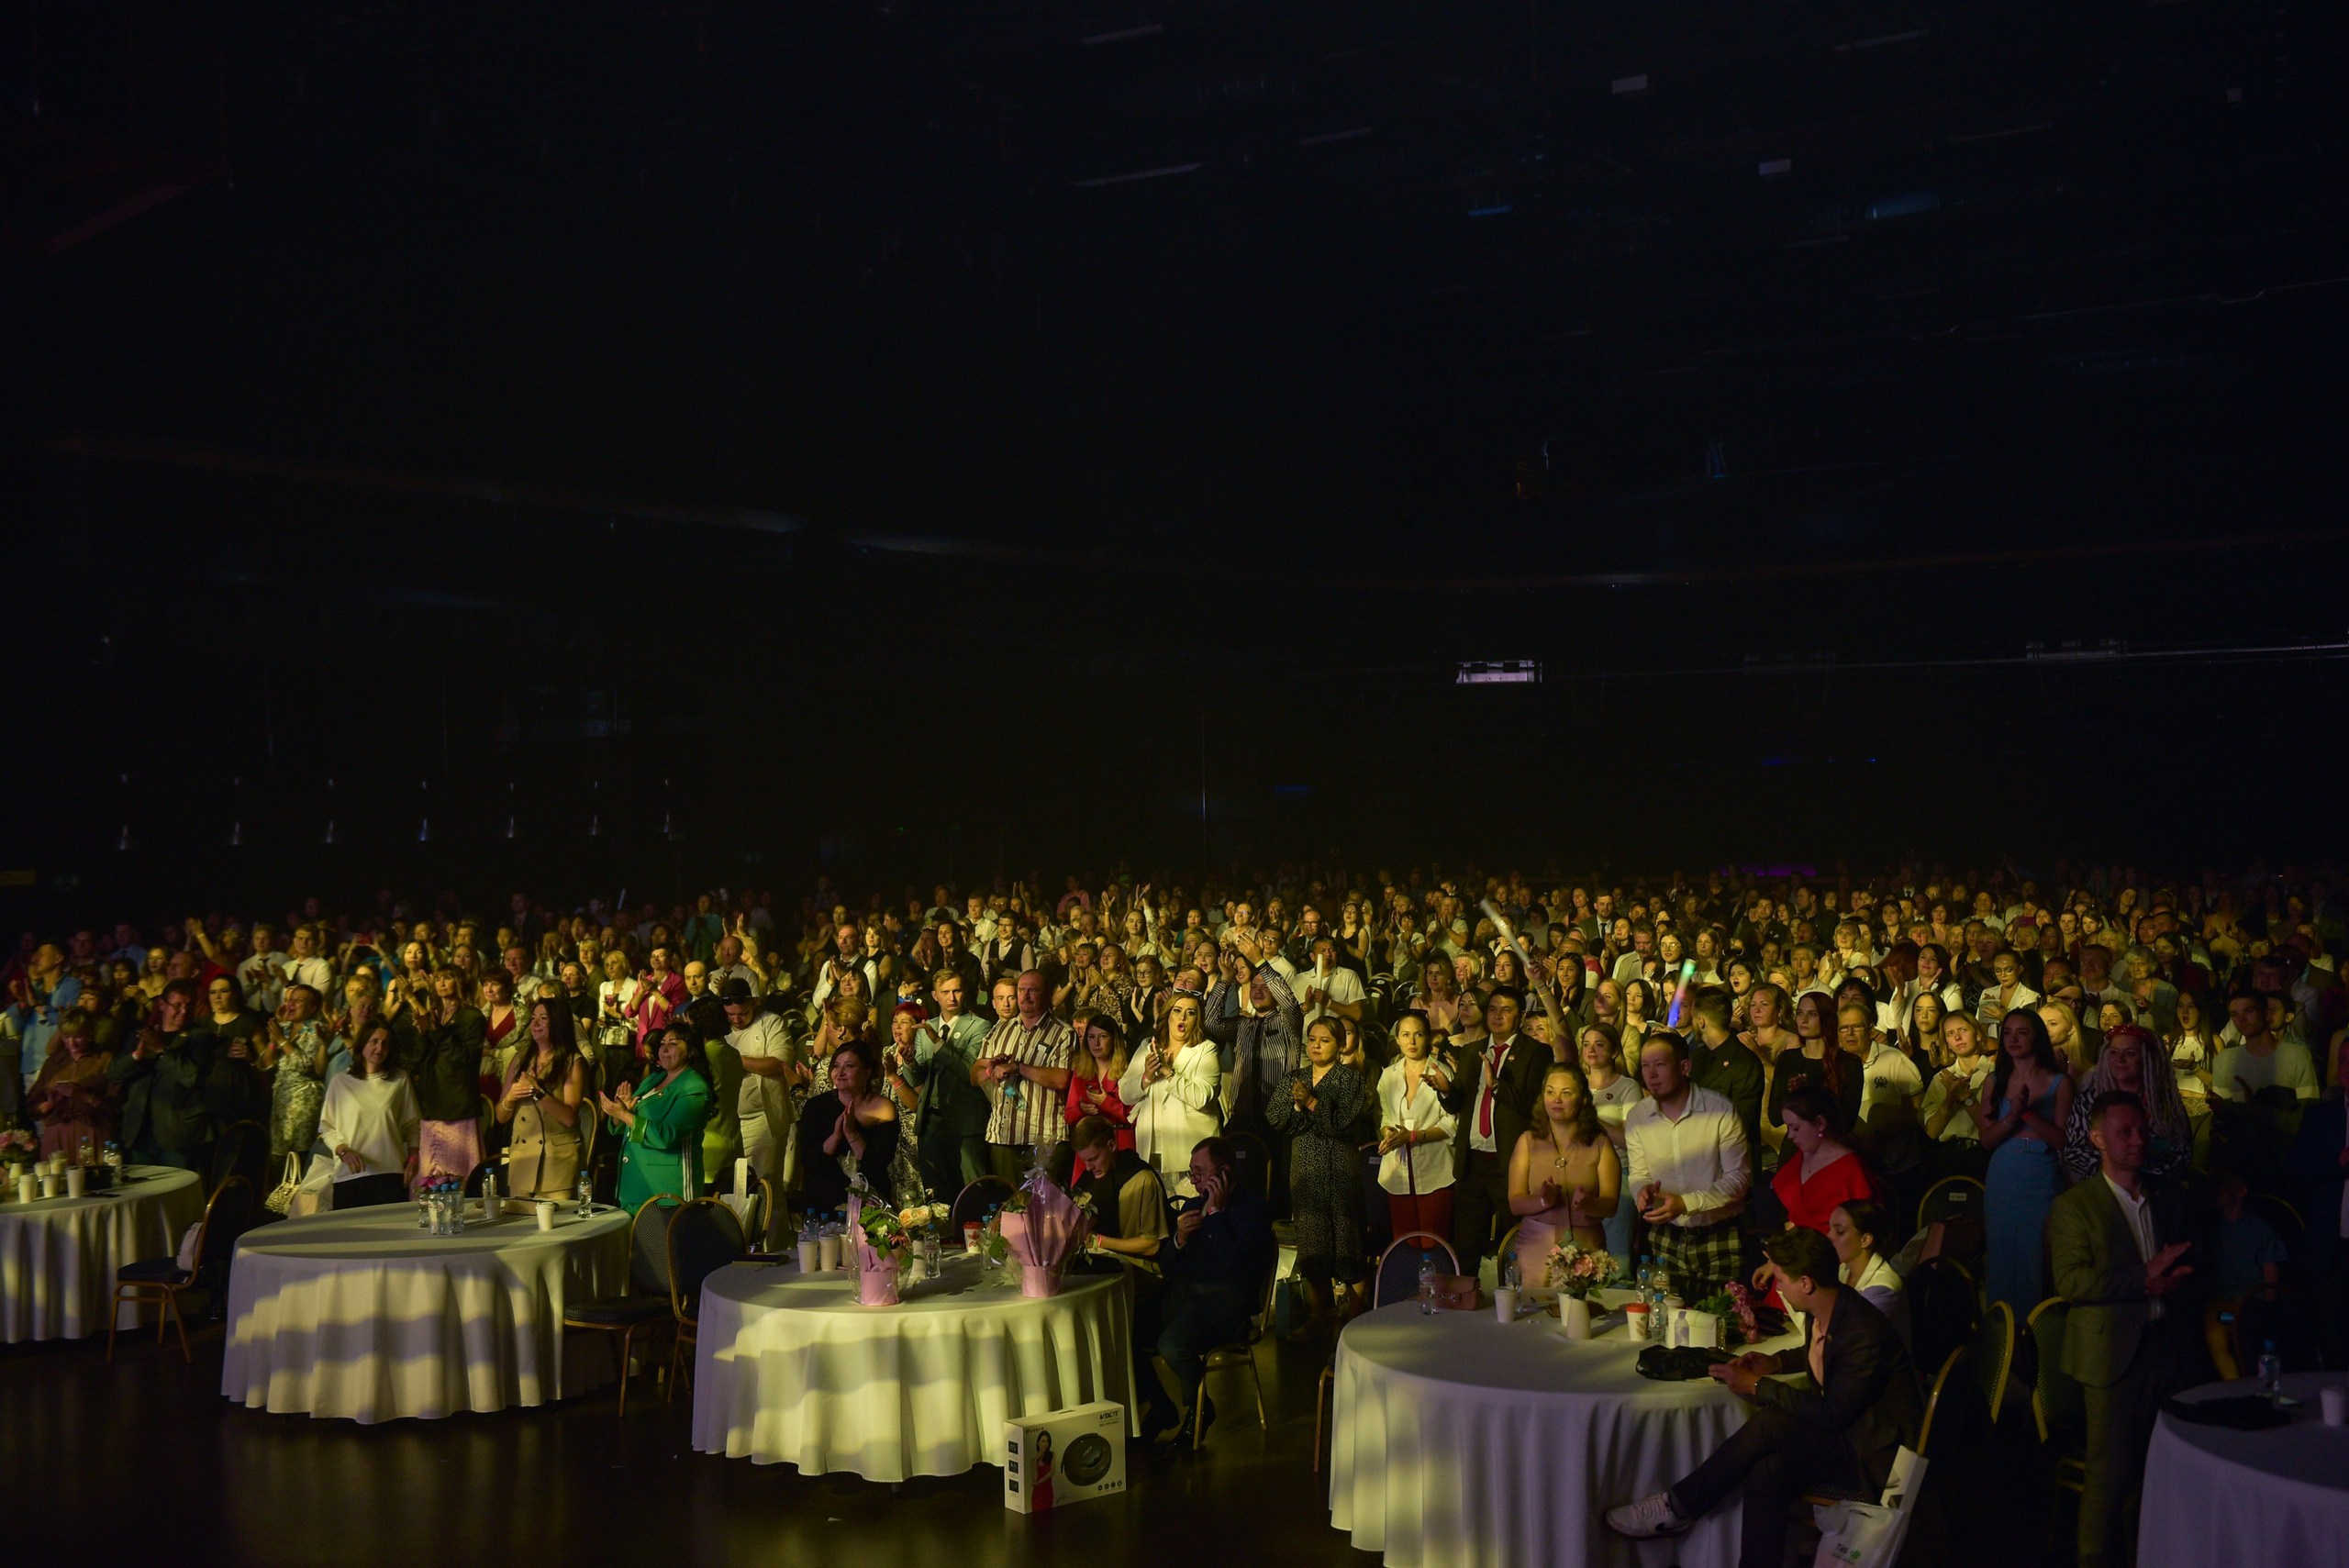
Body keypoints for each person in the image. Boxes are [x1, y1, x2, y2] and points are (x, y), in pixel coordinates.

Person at [1605, 1227, 1923, 1568]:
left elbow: (1833, 1415)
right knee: (1767, 1470)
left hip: (1876, 1456)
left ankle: (1677, 1506)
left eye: (1782, 1279)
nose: (1778, 1287)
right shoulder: (1832, 1309)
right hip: (1849, 1440)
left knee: (1770, 1423)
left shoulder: (1862, 1331)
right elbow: (1820, 1356)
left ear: (1806, 1283)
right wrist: (1774, 1362)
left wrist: (1759, 1386)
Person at [2050, 1091, 2201, 1568]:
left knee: (2158, 1472)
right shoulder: (2076, 1206)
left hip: (2164, 1348)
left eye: (2141, 1130)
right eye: (2125, 1133)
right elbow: (2071, 1281)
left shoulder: (2166, 1196)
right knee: (2108, 1478)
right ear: (2097, 1139)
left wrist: (2175, 1282)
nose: (2139, 1140)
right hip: (2112, 1358)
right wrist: (2144, 1277)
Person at [1133, 1137, 1277, 1446]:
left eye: (1199, 1173)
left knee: (1171, 1345)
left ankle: (1198, 1409)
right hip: (1185, 1300)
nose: (1194, 1181)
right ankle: (1161, 1407)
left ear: (1224, 1172)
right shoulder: (1192, 1206)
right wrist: (1178, 1241)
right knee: (1127, 1332)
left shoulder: (1254, 1211)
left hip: (1226, 1305)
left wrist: (1217, 1216)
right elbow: (1168, 1265)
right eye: (1192, 1173)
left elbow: (1233, 1266)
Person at [1624, 1031, 1752, 1298]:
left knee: (1721, 1322)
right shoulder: (1639, 1116)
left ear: (1684, 1067)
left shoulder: (1719, 1110)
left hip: (1718, 1232)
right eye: (1645, 1066)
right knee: (1668, 1319)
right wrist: (1642, 1191)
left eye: (1660, 1065)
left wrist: (1686, 1203)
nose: (1651, 1074)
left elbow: (1739, 1178)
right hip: (1666, 1234)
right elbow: (1638, 1173)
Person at [1266, 1018, 1370, 1336]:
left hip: (1339, 1167)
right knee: (1312, 1241)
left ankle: (1354, 1319)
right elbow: (1275, 1117)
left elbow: (1342, 1125)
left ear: (1340, 1046)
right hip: (1306, 1168)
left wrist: (1312, 1103)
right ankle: (1319, 1314)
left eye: (1325, 1040)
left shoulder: (1350, 1080)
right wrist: (1299, 1109)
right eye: (1312, 1039)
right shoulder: (1294, 1078)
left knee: (1346, 1239)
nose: (1316, 1046)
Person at [1440, 985, 1549, 1274]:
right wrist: (1446, 1091)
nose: (1497, 1016)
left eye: (1506, 1010)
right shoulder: (1472, 1051)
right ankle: (1467, 1303)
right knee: (1465, 1245)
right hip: (1472, 1161)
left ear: (1521, 1015)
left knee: (1516, 1240)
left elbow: (1534, 1105)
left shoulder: (1537, 1053)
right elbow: (1457, 1105)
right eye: (1492, 1009)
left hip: (1510, 1163)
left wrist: (1497, 1086)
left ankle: (1517, 1303)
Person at [1976, 1006, 2075, 1314]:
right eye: (2007, 1032)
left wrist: (2028, 1113)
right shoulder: (1994, 1081)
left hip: (2042, 1175)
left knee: (2037, 1260)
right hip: (2004, 1175)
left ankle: (2037, 1340)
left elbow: (2062, 1140)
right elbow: (1987, 1140)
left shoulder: (2060, 1082)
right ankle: (2003, 1339)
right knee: (2003, 1258)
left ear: (2037, 1037)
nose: (2013, 1039)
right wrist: (2011, 1118)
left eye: (2022, 1032)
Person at [1508, 1062, 1620, 1284]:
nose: (1556, 1099)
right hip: (1536, 1250)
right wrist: (1542, 1200)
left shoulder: (1600, 1143)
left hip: (1586, 1252)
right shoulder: (1527, 1141)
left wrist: (1588, 1204)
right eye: (1550, 1092)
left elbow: (1611, 1205)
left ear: (1582, 1099)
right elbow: (1515, 1203)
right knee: (1534, 1314)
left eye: (1566, 1093)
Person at [107, 979, 231, 1172]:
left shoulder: (199, 1037)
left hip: (177, 1136)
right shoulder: (141, 1034)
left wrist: (161, 1050)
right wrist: (136, 1057)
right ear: (162, 1005)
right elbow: (113, 1073)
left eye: (188, 1006)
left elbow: (192, 1077)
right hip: (139, 1133)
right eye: (178, 1005)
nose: (183, 1011)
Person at [602, 1021, 716, 1211]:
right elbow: (628, 1124)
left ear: (692, 1051)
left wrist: (624, 1114)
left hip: (667, 1191)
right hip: (635, 1184)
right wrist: (622, 1111)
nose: (664, 1049)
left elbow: (666, 1136)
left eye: (673, 1044)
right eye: (663, 1043)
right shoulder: (655, 1078)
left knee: (662, 1241)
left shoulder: (694, 1088)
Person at [974, 970, 1074, 1183]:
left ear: (1046, 994)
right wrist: (990, 1068)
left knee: (1045, 1210)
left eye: (1033, 990)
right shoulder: (999, 1031)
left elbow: (1061, 1079)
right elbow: (974, 1075)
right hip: (1003, 1135)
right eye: (1021, 990)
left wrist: (1018, 1067)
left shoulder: (1063, 1033)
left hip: (1045, 1138)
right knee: (1010, 1209)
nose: (1025, 996)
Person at [900, 968, 992, 1201]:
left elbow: (969, 1072)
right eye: (945, 992)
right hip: (932, 1122)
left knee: (972, 1191)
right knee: (936, 1192)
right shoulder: (925, 1028)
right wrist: (909, 1064)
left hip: (965, 1123)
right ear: (934, 995)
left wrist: (937, 1042)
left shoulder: (979, 1026)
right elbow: (918, 1080)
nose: (952, 998)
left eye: (957, 991)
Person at [2061, 1023, 2191, 1184]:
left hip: (2156, 1193)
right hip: (2105, 1192)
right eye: (2114, 1052)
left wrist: (2142, 1171)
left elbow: (2183, 1154)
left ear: (2147, 1058)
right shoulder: (2088, 1101)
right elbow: (2073, 1152)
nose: (2120, 1060)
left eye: (2130, 1054)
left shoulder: (2165, 1104)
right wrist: (2119, 1166)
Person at [1119, 992, 1222, 1196]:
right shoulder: (1147, 1046)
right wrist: (1146, 1077)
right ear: (1168, 1015)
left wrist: (1167, 1071)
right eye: (1177, 1011)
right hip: (1152, 1150)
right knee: (1159, 1217)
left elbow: (1200, 1097)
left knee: (1189, 1214)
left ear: (1197, 1020)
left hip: (1189, 1151)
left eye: (1190, 1013)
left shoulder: (1206, 1050)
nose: (1182, 1017)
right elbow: (1124, 1094)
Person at [396, 966, 489, 1189]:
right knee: (429, 1177)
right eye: (438, 979)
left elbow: (463, 1056)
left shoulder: (472, 1016)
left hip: (456, 1107)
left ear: (459, 982)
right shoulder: (437, 1015)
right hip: (431, 1105)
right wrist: (423, 1033)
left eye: (448, 978)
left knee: (456, 1176)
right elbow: (419, 1058)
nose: (442, 983)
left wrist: (434, 1030)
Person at [313, 1020, 421, 1209]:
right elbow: (326, 1128)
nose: (380, 1047)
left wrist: (413, 1159)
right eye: (375, 1041)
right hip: (351, 1175)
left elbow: (413, 1125)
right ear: (363, 1043)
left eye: (385, 1043)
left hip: (390, 1174)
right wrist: (344, 1151)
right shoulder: (340, 1082)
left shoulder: (399, 1079)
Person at [720, 979, 803, 1228]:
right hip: (729, 1121)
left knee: (767, 1187)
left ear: (753, 1003)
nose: (736, 1020)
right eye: (731, 1015)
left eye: (742, 1013)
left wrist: (734, 1060)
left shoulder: (771, 1022)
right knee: (735, 1191)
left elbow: (780, 1063)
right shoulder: (719, 1030)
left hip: (763, 1118)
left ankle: (776, 1248)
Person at [1375, 1012, 1457, 1246]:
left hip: (1435, 1169)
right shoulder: (1389, 1075)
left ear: (1428, 1038)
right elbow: (1385, 1117)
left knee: (1435, 1242)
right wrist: (1389, 1134)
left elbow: (1451, 1123)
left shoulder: (1442, 1072)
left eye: (1418, 1035)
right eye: (1405, 1035)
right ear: (1397, 1039)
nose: (1411, 1042)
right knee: (1404, 1243)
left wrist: (1413, 1136)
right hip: (1398, 1170)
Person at [1769, 1083, 1889, 1242]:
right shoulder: (1799, 1158)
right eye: (1788, 1128)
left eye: (1795, 1128)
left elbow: (1868, 1226)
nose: (1790, 1135)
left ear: (1820, 1123)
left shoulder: (1850, 1168)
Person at [794, 1038, 900, 1216]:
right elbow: (810, 1161)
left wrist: (851, 1134)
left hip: (871, 1198)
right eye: (836, 1066)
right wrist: (836, 1136)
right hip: (825, 1198)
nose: (840, 1072)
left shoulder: (883, 1109)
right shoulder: (816, 1107)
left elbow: (876, 1165)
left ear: (866, 1073)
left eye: (849, 1066)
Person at [496, 997, 589, 1200]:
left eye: (543, 1018)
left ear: (558, 1023)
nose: (535, 1023)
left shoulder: (573, 1061)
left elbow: (570, 1118)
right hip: (523, 1158)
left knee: (556, 1229)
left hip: (557, 1160)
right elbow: (501, 1116)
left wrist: (538, 1091)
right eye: (533, 1018)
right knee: (522, 1228)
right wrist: (511, 1097)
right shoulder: (520, 1058)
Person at [28, 1013, 115, 1158]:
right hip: (57, 1132)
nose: (72, 1043)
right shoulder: (54, 1063)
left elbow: (115, 1105)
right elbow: (32, 1103)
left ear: (89, 1034)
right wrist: (43, 1106)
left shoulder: (103, 1059)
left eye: (78, 1036)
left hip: (92, 1129)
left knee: (93, 1177)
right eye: (66, 1037)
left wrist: (83, 1095)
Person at [2212, 985, 2320, 1102]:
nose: (2241, 1019)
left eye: (2248, 1011)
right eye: (2234, 1014)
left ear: (2266, 1014)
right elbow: (2224, 1113)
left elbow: (2309, 1108)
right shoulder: (2224, 1060)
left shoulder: (2297, 1056)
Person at [1827, 1197, 1909, 1345]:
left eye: (1839, 1231)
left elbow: (1846, 1337)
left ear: (1865, 1240)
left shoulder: (1883, 1288)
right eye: (1830, 1229)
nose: (1829, 1236)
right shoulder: (1842, 1271)